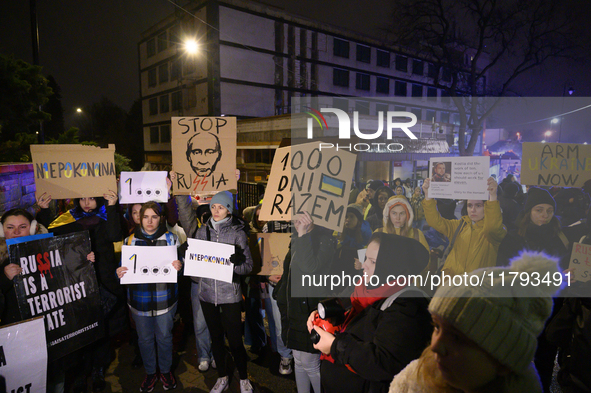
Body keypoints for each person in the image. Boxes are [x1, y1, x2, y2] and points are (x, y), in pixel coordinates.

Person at [389, 251, 562, 393]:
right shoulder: (416, 380)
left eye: (457, 338)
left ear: (503, 360)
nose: (435, 346)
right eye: (437, 327)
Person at [308, 232, 432, 393]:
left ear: (392, 265)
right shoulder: (365, 287)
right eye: (366, 257)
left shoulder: (408, 307)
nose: (364, 265)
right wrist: (320, 315)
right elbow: (345, 308)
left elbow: (384, 364)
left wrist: (334, 346)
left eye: (373, 261)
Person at [37, 191, 125, 393]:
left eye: (92, 198)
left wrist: (112, 206)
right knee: (79, 332)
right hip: (76, 284)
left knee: (100, 330)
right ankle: (79, 374)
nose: (87, 203)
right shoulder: (67, 220)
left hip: (103, 282)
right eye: (83, 199)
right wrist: (43, 210)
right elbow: (49, 236)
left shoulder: (107, 216)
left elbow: (114, 236)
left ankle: (98, 370)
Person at [177, 189, 254, 393]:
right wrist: (186, 255)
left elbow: (247, 267)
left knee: (235, 341)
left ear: (229, 210)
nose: (216, 211)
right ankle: (222, 377)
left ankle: (244, 378)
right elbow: (196, 268)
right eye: (213, 207)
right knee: (216, 338)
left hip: (230, 295)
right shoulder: (202, 232)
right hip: (207, 295)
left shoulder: (237, 233)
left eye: (221, 207)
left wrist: (237, 264)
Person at [495, 187, 570, 392]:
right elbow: (502, 274)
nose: (544, 215)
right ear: (528, 212)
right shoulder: (513, 238)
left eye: (549, 210)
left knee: (544, 362)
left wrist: (567, 275)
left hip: (549, 312)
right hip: (521, 312)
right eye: (539, 210)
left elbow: (563, 274)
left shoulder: (560, 239)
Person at [116, 201, 182, 392]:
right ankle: (151, 372)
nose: (150, 221)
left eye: (154, 216)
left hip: (165, 301)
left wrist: (179, 267)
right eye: (146, 216)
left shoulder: (171, 239)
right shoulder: (129, 241)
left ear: (160, 218)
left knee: (164, 338)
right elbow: (122, 269)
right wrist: (118, 272)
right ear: (139, 218)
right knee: (144, 340)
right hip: (140, 302)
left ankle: (166, 371)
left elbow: (178, 270)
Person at [275, 211, 336, 393]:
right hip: (293, 309)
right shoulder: (298, 237)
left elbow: (310, 268)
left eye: (302, 216)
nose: (297, 219)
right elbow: (291, 271)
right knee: (299, 362)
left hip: (308, 311)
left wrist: (303, 235)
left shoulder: (324, 240)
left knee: (310, 364)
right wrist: (279, 290)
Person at [422, 177, 506, 276]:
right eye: (470, 205)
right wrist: (428, 195)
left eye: (478, 205)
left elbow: (492, 228)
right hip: (451, 284)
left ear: (486, 207)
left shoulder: (494, 231)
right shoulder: (460, 225)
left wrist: (492, 197)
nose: (473, 210)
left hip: (476, 287)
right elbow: (435, 221)